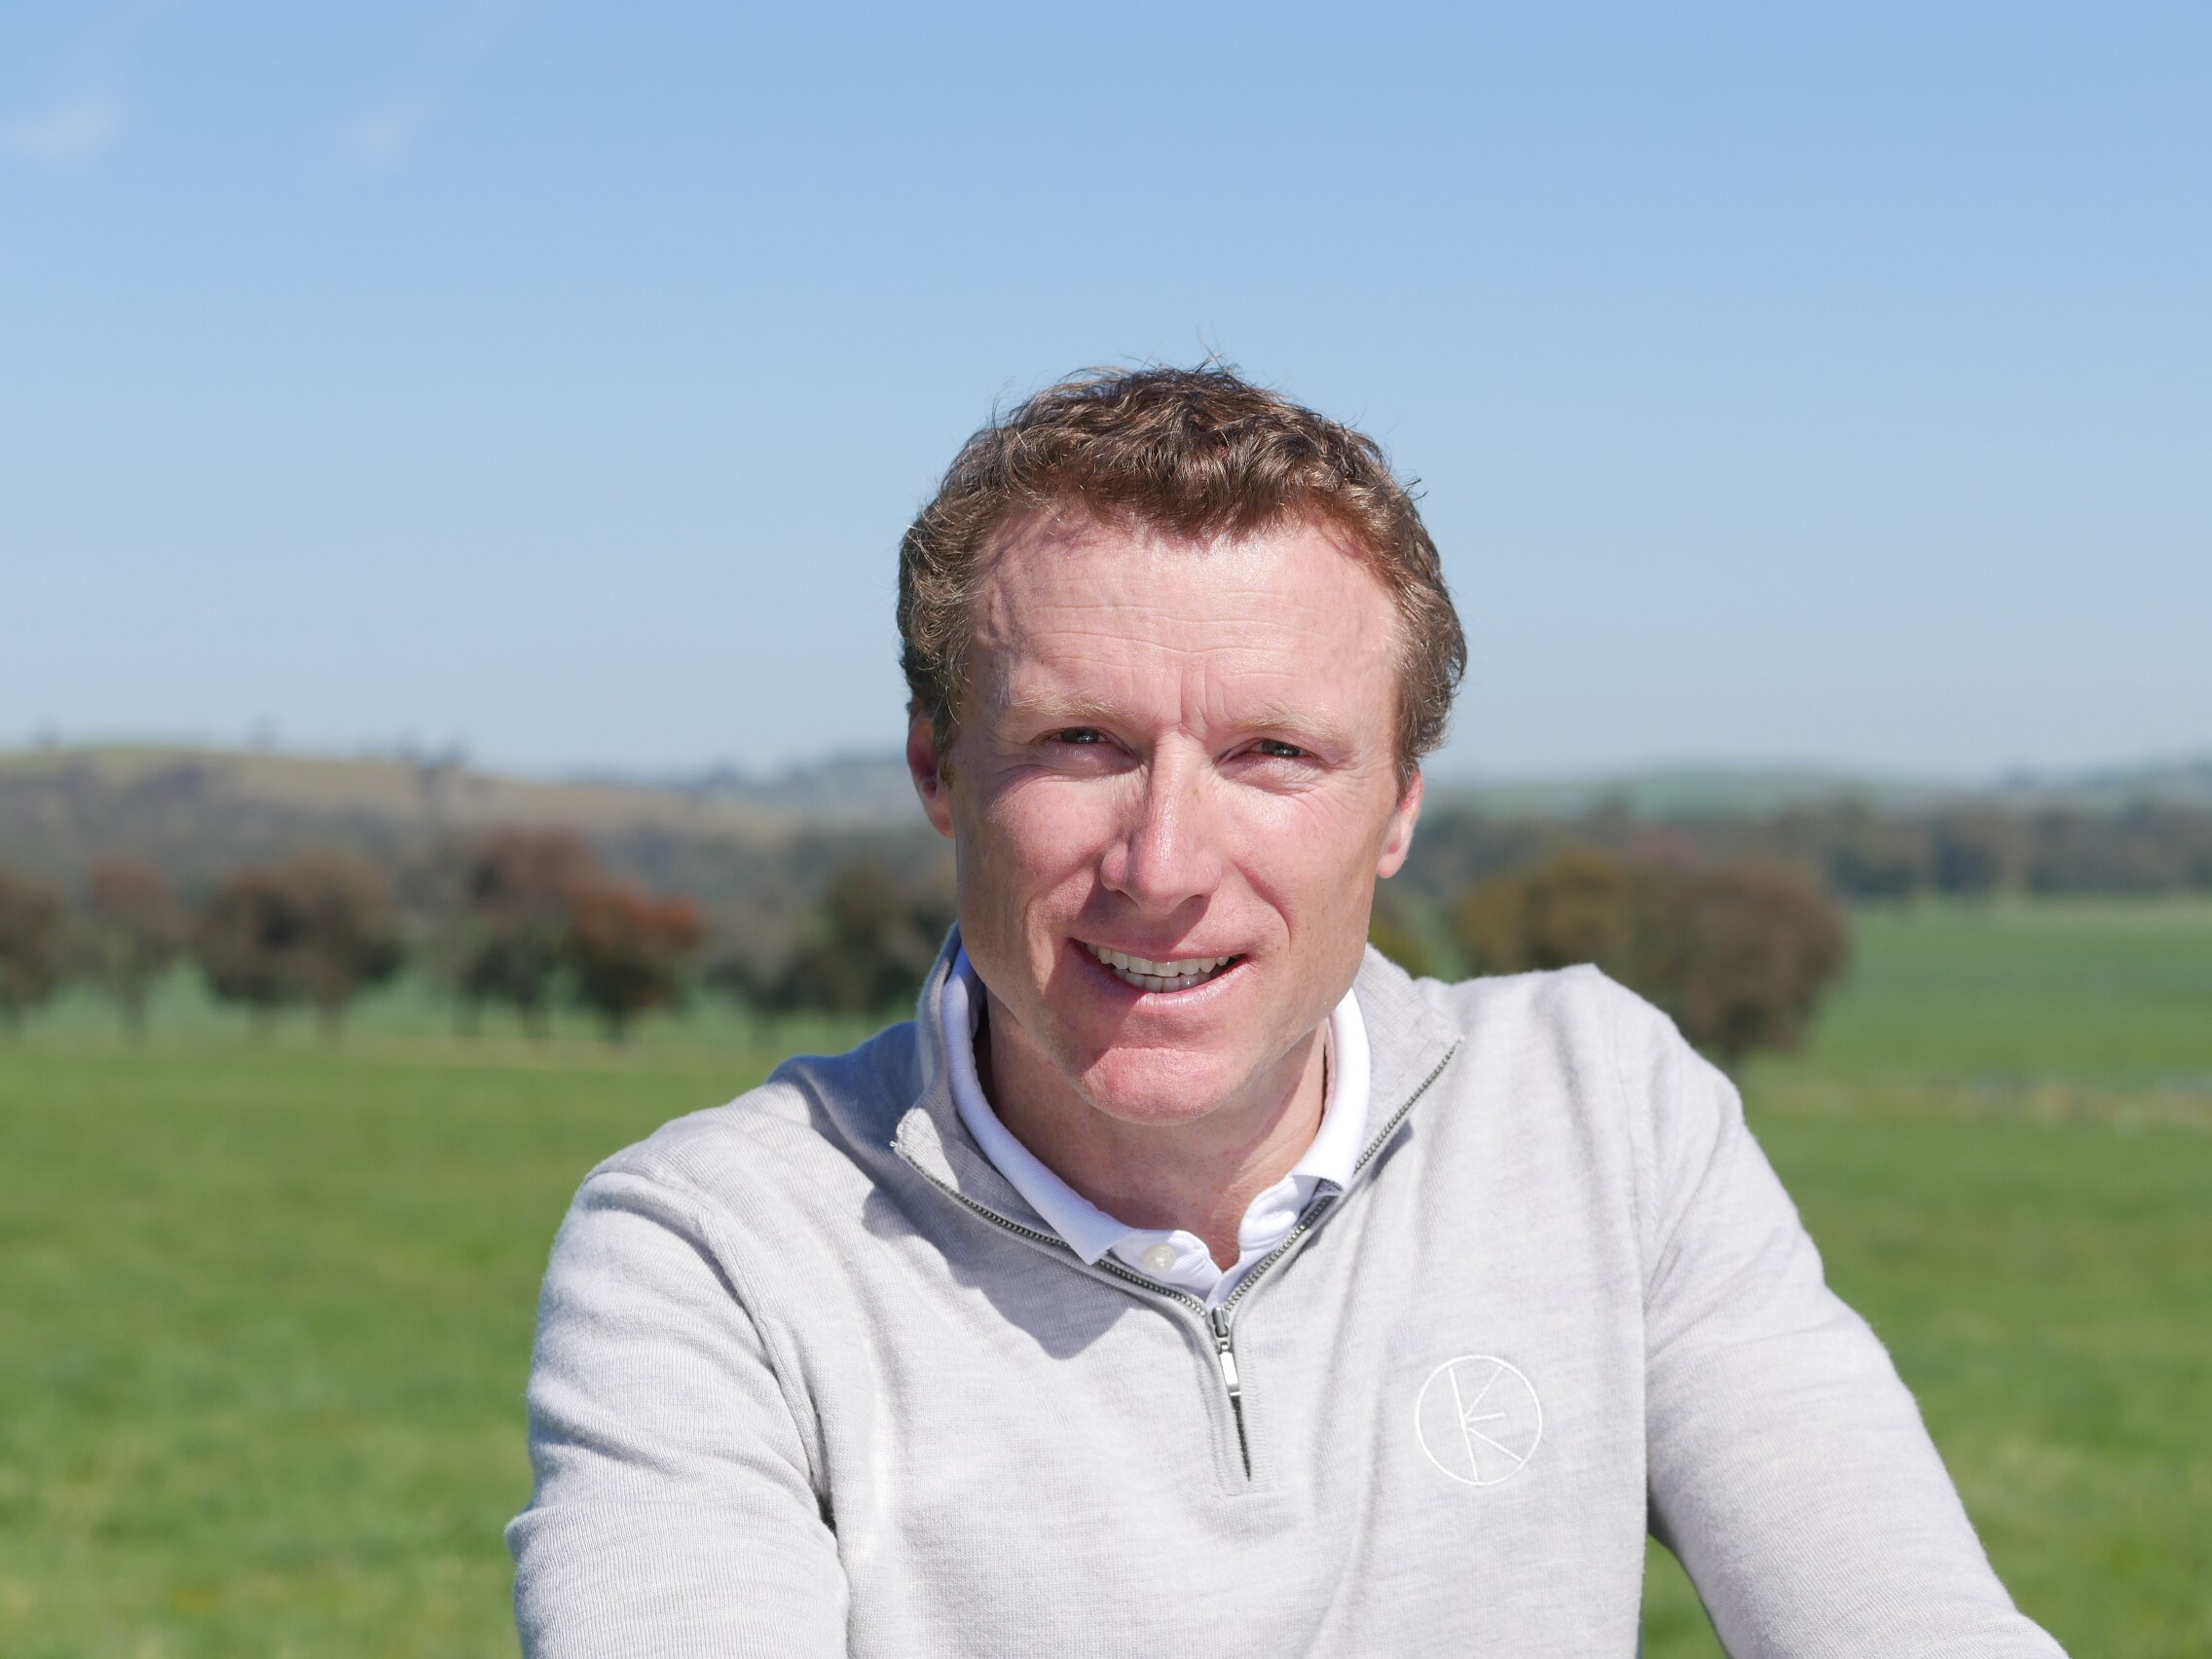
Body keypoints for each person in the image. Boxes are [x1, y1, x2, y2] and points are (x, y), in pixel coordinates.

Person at [507, 366, 2065, 1657]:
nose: (1167, 863)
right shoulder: (713, 1251)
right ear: (938, 770)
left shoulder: (1604, 1113)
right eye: (1081, 741)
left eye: (1272, 754)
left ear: (1396, 807)